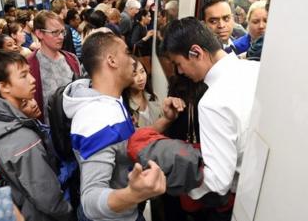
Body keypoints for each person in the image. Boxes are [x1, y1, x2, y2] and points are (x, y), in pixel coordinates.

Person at [62, 31, 183, 221]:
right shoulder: (96, 118)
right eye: (126, 52)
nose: (133, 61)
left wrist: (165, 120)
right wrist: (133, 195)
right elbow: (90, 199)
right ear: (111, 60)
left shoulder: (110, 101)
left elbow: (126, 140)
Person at [161, 17, 260, 220]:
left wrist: (173, 184)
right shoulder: (255, 69)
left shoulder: (212, 102)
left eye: (179, 64)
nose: (179, 71)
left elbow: (217, 181)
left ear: (195, 52)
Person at [0, 50, 74, 221]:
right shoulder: (22, 139)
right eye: (23, 75)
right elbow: (47, 198)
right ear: (4, 86)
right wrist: (69, 213)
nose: (32, 79)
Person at [29, 10, 81, 124]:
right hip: (48, 132)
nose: (61, 37)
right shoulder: (29, 66)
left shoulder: (72, 59)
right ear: (39, 33)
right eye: (55, 32)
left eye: (62, 32)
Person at [123, 58, 161, 128]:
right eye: (134, 74)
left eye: (142, 71)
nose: (141, 78)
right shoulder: (124, 106)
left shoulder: (152, 97)